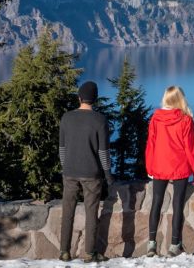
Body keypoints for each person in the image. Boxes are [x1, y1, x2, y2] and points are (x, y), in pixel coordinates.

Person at [145, 86, 194, 258]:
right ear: (180, 99)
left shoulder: (156, 118)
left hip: (160, 165)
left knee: (156, 202)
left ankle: (151, 244)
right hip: (180, 166)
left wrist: (150, 167)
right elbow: (190, 149)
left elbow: (151, 144)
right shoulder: (186, 120)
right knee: (178, 205)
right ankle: (174, 244)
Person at [58, 81, 112, 262]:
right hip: (92, 173)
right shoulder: (100, 120)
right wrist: (108, 174)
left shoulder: (67, 117)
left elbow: (62, 149)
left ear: (79, 97)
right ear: (94, 99)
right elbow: (103, 152)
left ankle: (64, 251)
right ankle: (89, 253)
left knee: (68, 211)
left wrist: (66, 166)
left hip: (70, 172)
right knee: (91, 213)